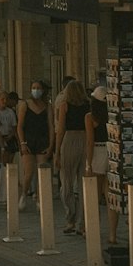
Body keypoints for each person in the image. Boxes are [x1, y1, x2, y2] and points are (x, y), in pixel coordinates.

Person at [54, 79, 90, 234]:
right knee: (83, 184)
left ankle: (70, 218)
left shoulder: (65, 106)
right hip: (85, 140)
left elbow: (61, 129)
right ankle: (82, 222)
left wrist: (57, 151)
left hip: (69, 140)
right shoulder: (88, 106)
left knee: (66, 182)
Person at [16, 79, 53, 210]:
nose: (36, 90)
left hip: (42, 140)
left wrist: (51, 145)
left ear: (43, 90)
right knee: (29, 171)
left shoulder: (47, 106)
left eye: (38, 88)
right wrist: (22, 143)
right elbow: (20, 126)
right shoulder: (25, 104)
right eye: (33, 87)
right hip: (28, 140)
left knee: (41, 171)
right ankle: (24, 195)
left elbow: (50, 126)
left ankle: (38, 197)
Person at [84, 85, 109, 229]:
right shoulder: (112, 115)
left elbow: (90, 141)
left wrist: (89, 163)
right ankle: (112, 233)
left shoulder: (90, 117)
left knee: (95, 193)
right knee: (110, 194)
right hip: (111, 152)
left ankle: (93, 227)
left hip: (98, 152)